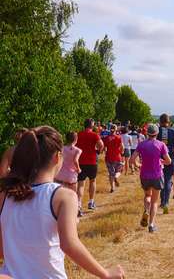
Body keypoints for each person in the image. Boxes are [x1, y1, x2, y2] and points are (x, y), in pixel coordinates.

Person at [0, 126, 124, 278]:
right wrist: (105, 274)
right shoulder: (63, 196)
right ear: (57, 157)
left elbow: (2, 248)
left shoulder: (5, 194)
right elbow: (69, 244)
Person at [130, 124, 171, 233]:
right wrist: (162, 161)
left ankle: (146, 210)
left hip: (144, 175)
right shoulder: (161, 144)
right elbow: (169, 161)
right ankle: (151, 225)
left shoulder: (141, 145)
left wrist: (138, 165)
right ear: (157, 133)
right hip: (157, 175)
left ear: (147, 133)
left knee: (147, 195)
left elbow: (132, 159)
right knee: (155, 201)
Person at [76, 119, 104, 216]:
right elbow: (101, 145)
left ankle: (79, 205)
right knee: (92, 181)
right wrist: (97, 151)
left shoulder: (78, 134)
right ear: (92, 125)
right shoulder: (95, 135)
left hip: (81, 161)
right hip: (92, 161)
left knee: (80, 184)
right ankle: (91, 202)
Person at [157, 114, 174, 215]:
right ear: (169, 121)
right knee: (168, 180)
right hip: (171, 158)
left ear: (160, 121)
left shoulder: (157, 131)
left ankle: (162, 201)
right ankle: (166, 202)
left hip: (159, 159)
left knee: (161, 179)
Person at [55, 132, 82, 196]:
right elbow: (75, 160)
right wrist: (78, 169)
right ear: (76, 139)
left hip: (60, 175)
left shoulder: (61, 148)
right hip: (71, 176)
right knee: (72, 195)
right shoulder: (78, 150)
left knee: (60, 195)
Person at [103, 125, 124, 193]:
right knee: (120, 170)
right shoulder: (118, 137)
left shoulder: (106, 138)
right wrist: (121, 152)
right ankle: (116, 177)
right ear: (116, 129)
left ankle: (112, 188)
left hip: (109, 158)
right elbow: (122, 147)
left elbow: (104, 148)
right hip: (117, 157)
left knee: (111, 173)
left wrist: (105, 152)